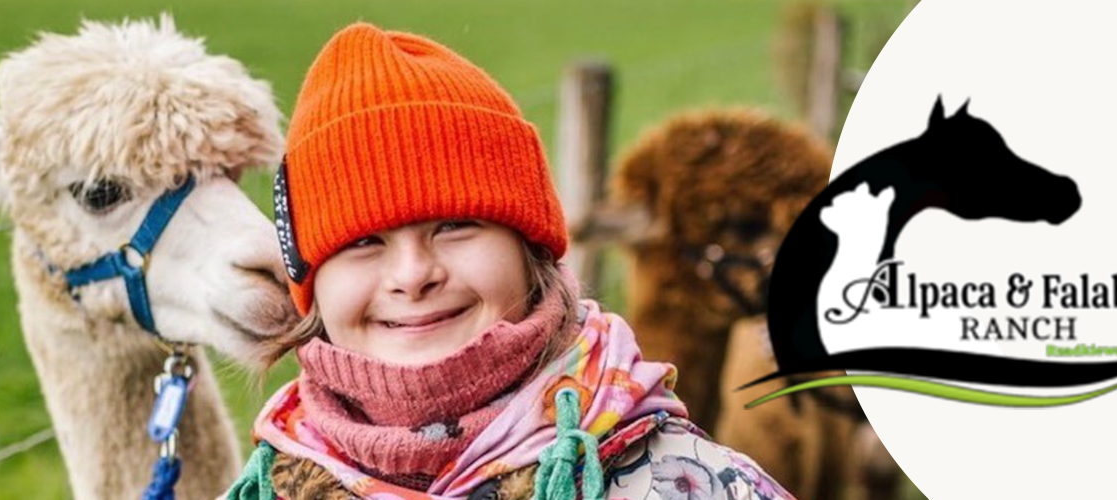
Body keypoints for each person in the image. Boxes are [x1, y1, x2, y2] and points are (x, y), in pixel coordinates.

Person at [227, 22, 796, 500]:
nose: (412, 275)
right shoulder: (265, 485)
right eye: (361, 241)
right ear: (311, 278)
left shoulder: (691, 484)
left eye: (454, 225)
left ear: (529, 247)